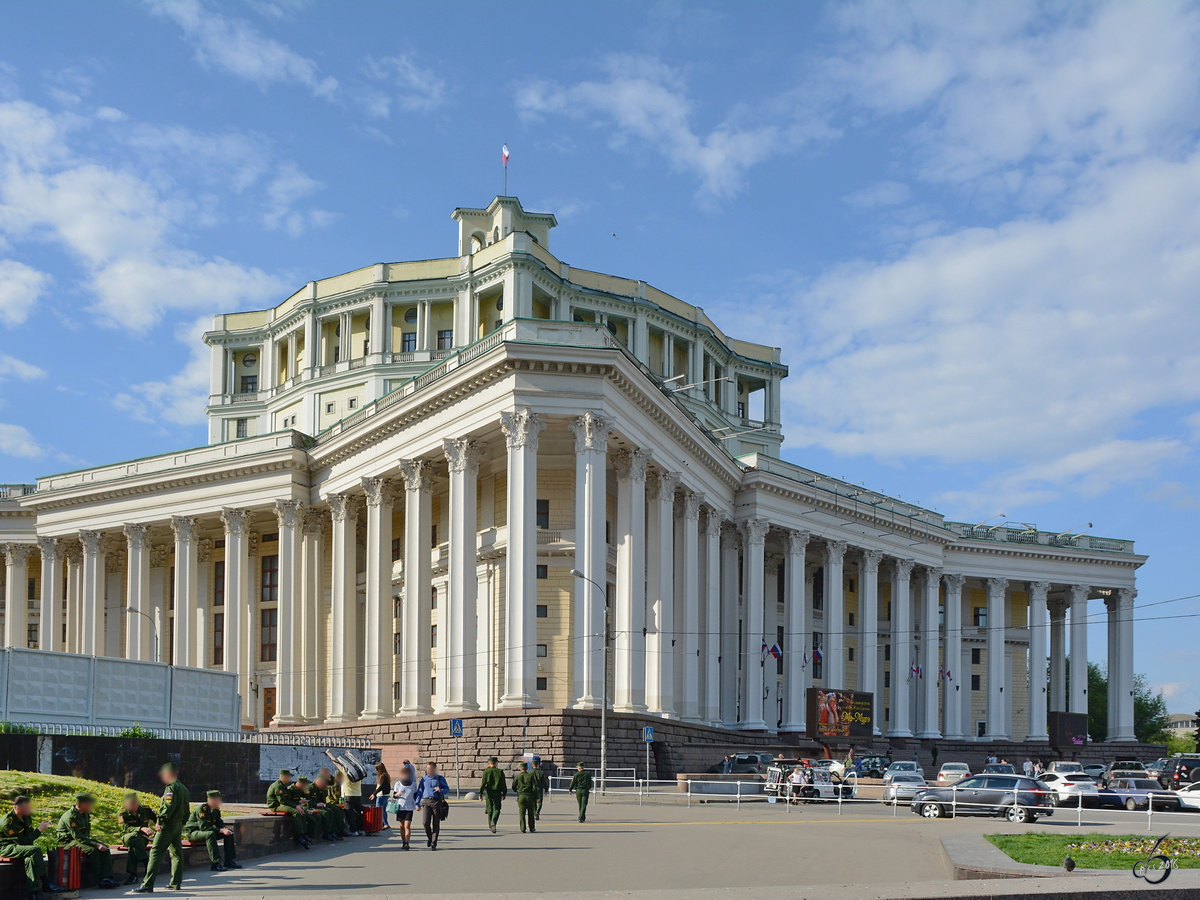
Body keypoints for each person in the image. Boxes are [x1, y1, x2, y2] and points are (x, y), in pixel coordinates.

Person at [133, 762, 191, 894]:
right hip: (178, 825)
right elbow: (187, 809)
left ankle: (147, 884)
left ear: (169, 774)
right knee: (176, 853)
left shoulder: (171, 788)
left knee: (155, 853)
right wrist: (182, 822)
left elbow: (168, 807)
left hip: (168, 825)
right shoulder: (183, 788)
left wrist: (160, 821)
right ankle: (176, 882)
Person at [55, 792, 118, 889]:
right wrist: (95, 844)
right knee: (92, 850)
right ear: (80, 804)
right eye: (88, 803)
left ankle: (108, 877)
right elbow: (77, 837)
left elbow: (85, 834)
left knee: (105, 849)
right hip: (68, 842)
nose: (91, 805)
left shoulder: (85, 814)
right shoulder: (70, 817)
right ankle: (98, 879)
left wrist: (96, 843)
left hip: (81, 840)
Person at [0, 795, 57, 900]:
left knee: (29, 859)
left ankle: (33, 893)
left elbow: (29, 837)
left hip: (21, 847)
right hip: (6, 847)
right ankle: (45, 882)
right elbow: (21, 842)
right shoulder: (8, 822)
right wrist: (39, 830)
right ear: (17, 808)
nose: (29, 809)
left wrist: (38, 829)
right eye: (26, 807)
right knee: (35, 850)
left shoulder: (26, 817)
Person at [185, 790, 241, 872]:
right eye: (219, 799)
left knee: (228, 834)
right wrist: (220, 830)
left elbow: (219, 823)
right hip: (193, 833)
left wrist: (224, 829)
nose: (220, 801)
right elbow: (204, 827)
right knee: (210, 834)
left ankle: (229, 861)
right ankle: (215, 863)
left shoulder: (216, 810)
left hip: (205, 831)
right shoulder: (202, 809)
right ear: (212, 800)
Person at [266, 769, 313, 849]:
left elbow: (288, 799)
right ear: (283, 777)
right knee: (296, 812)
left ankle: (303, 833)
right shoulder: (278, 786)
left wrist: (298, 804)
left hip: (282, 804)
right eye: (288, 777)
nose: (289, 779)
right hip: (276, 805)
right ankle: (298, 835)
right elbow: (282, 800)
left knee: (302, 811)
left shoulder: (283, 786)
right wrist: (295, 806)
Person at [117, 791, 157, 885]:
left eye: (135, 803)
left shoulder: (146, 809)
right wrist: (141, 828)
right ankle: (146, 861)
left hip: (142, 839)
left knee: (134, 843)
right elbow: (125, 828)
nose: (133, 805)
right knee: (133, 837)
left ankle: (133, 875)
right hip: (127, 837)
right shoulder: (122, 813)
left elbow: (158, 821)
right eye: (131, 803)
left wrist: (156, 835)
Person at [325, 751, 365, 836]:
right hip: (358, 794)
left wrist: (329, 754)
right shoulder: (358, 774)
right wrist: (351, 754)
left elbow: (336, 762)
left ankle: (353, 831)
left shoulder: (345, 772)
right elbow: (356, 763)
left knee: (349, 813)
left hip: (348, 795)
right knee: (358, 813)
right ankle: (360, 829)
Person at [413, 761, 449, 850]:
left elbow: (447, 789)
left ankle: (434, 843)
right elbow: (420, 791)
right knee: (425, 823)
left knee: (436, 823)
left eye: (430, 768)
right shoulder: (424, 779)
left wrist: (440, 790)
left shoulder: (440, 778)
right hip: (426, 801)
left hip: (436, 801)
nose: (428, 770)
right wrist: (417, 803)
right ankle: (430, 838)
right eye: (427, 768)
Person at [308, 775, 347, 840]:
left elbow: (322, 799)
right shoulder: (310, 788)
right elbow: (307, 801)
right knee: (326, 813)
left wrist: (323, 805)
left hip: (320, 804)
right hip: (312, 806)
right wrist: (317, 804)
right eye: (324, 783)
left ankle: (337, 830)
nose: (325, 785)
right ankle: (327, 833)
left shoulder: (319, 788)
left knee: (337, 809)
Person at [391, 765, 419, 850]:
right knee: (401, 826)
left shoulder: (413, 784)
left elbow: (416, 795)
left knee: (407, 826)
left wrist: (418, 804)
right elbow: (394, 796)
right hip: (400, 806)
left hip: (410, 807)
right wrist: (397, 794)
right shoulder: (398, 784)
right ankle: (403, 841)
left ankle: (407, 843)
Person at [478, 756, 508, 834]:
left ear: (489, 763)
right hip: (497, 792)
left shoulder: (486, 772)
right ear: (496, 763)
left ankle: (490, 825)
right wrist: (504, 793)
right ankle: (494, 821)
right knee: (497, 808)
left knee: (489, 809)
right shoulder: (500, 772)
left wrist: (480, 793)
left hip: (488, 792)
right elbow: (503, 784)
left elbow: (483, 783)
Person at [512, 762, 537, 834]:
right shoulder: (530, 776)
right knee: (531, 813)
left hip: (521, 796)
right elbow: (534, 787)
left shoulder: (518, 776)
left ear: (520, 769)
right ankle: (531, 827)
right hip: (529, 796)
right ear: (527, 768)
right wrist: (536, 797)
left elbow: (513, 786)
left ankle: (523, 828)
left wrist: (516, 791)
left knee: (522, 813)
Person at [371, 763, 392, 829]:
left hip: (381, 795)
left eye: (376, 769)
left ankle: (385, 823)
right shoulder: (386, 775)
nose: (375, 770)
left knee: (379, 810)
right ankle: (384, 823)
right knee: (383, 810)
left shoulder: (383, 776)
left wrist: (374, 793)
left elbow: (381, 786)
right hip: (385, 795)